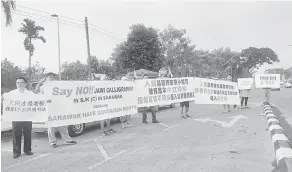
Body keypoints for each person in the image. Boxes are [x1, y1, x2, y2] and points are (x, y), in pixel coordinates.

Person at [35, 72, 77, 148]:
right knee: (51, 126)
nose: (51, 78)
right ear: (47, 79)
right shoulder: (44, 87)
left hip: (59, 108)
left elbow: (68, 91)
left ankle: (67, 140)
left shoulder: (58, 85)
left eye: (52, 77)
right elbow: (36, 91)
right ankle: (52, 142)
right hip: (49, 108)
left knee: (63, 124)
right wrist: (39, 83)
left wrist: (71, 84)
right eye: (50, 77)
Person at [9, 77, 34, 158]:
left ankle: (27, 149)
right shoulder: (12, 93)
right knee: (16, 134)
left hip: (27, 116)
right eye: (17, 82)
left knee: (28, 133)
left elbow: (37, 101)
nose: (19, 84)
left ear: (25, 84)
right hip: (16, 116)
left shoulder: (30, 93)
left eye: (21, 82)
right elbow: (5, 101)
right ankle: (16, 151)